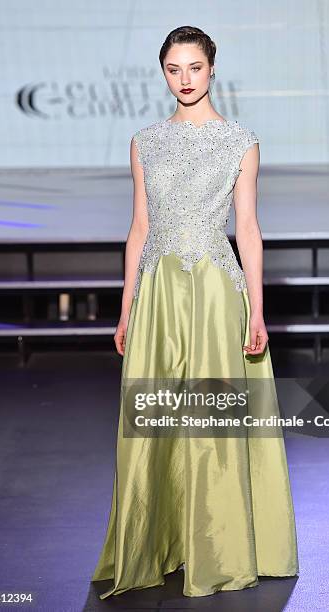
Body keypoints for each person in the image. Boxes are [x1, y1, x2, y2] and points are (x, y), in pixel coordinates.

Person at [91, 25, 299, 599]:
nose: (185, 79)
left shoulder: (240, 141)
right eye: (174, 69)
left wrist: (257, 311)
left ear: (212, 69)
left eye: (195, 68)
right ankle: (158, 542)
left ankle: (219, 543)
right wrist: (125, 306)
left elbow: (249, 231)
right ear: (163, 74)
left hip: (212, 290)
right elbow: (138, 230)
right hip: (158, 292)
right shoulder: (144, 141)